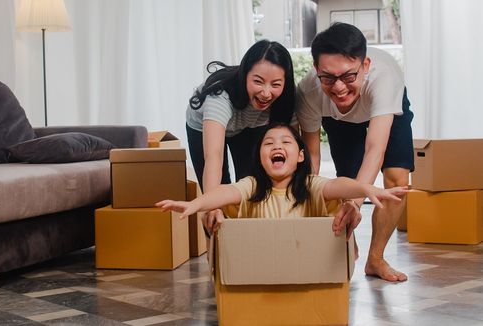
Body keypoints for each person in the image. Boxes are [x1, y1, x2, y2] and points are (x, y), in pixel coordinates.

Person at [295, 22, 414, 282]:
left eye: (349, 76)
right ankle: (347, 246)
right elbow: (312, 160)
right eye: (328, 77)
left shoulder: (384, 78)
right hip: (338, 119)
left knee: (396, 181)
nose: (338, 87)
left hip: (383, 108)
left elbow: (375, 149)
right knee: (345, 184)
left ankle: (375, 259)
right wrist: (310, 197)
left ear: (366, 66)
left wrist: (357, 203)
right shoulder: (308, 91)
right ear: (316, 69)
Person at [157, 123, 407, 237]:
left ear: (300, 155)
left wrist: (363, 187)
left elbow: (336, 185)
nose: (277, 145)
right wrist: (198, 204)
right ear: (261, 157)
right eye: (269, 143)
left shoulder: (309, 184)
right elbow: (225, 192)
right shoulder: (253, 185)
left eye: (286, 142)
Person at [186, 40, 296, 229]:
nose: (266, 93)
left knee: (251, 185)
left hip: (248, 127)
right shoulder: (220, 98)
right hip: (203, 127)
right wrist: (211, 206)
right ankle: (220, 248)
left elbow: (293, 151)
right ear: (245, 75)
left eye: (276, 84)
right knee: (217, 197)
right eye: (258, 82)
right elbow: (214, 157)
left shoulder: (286, 100)